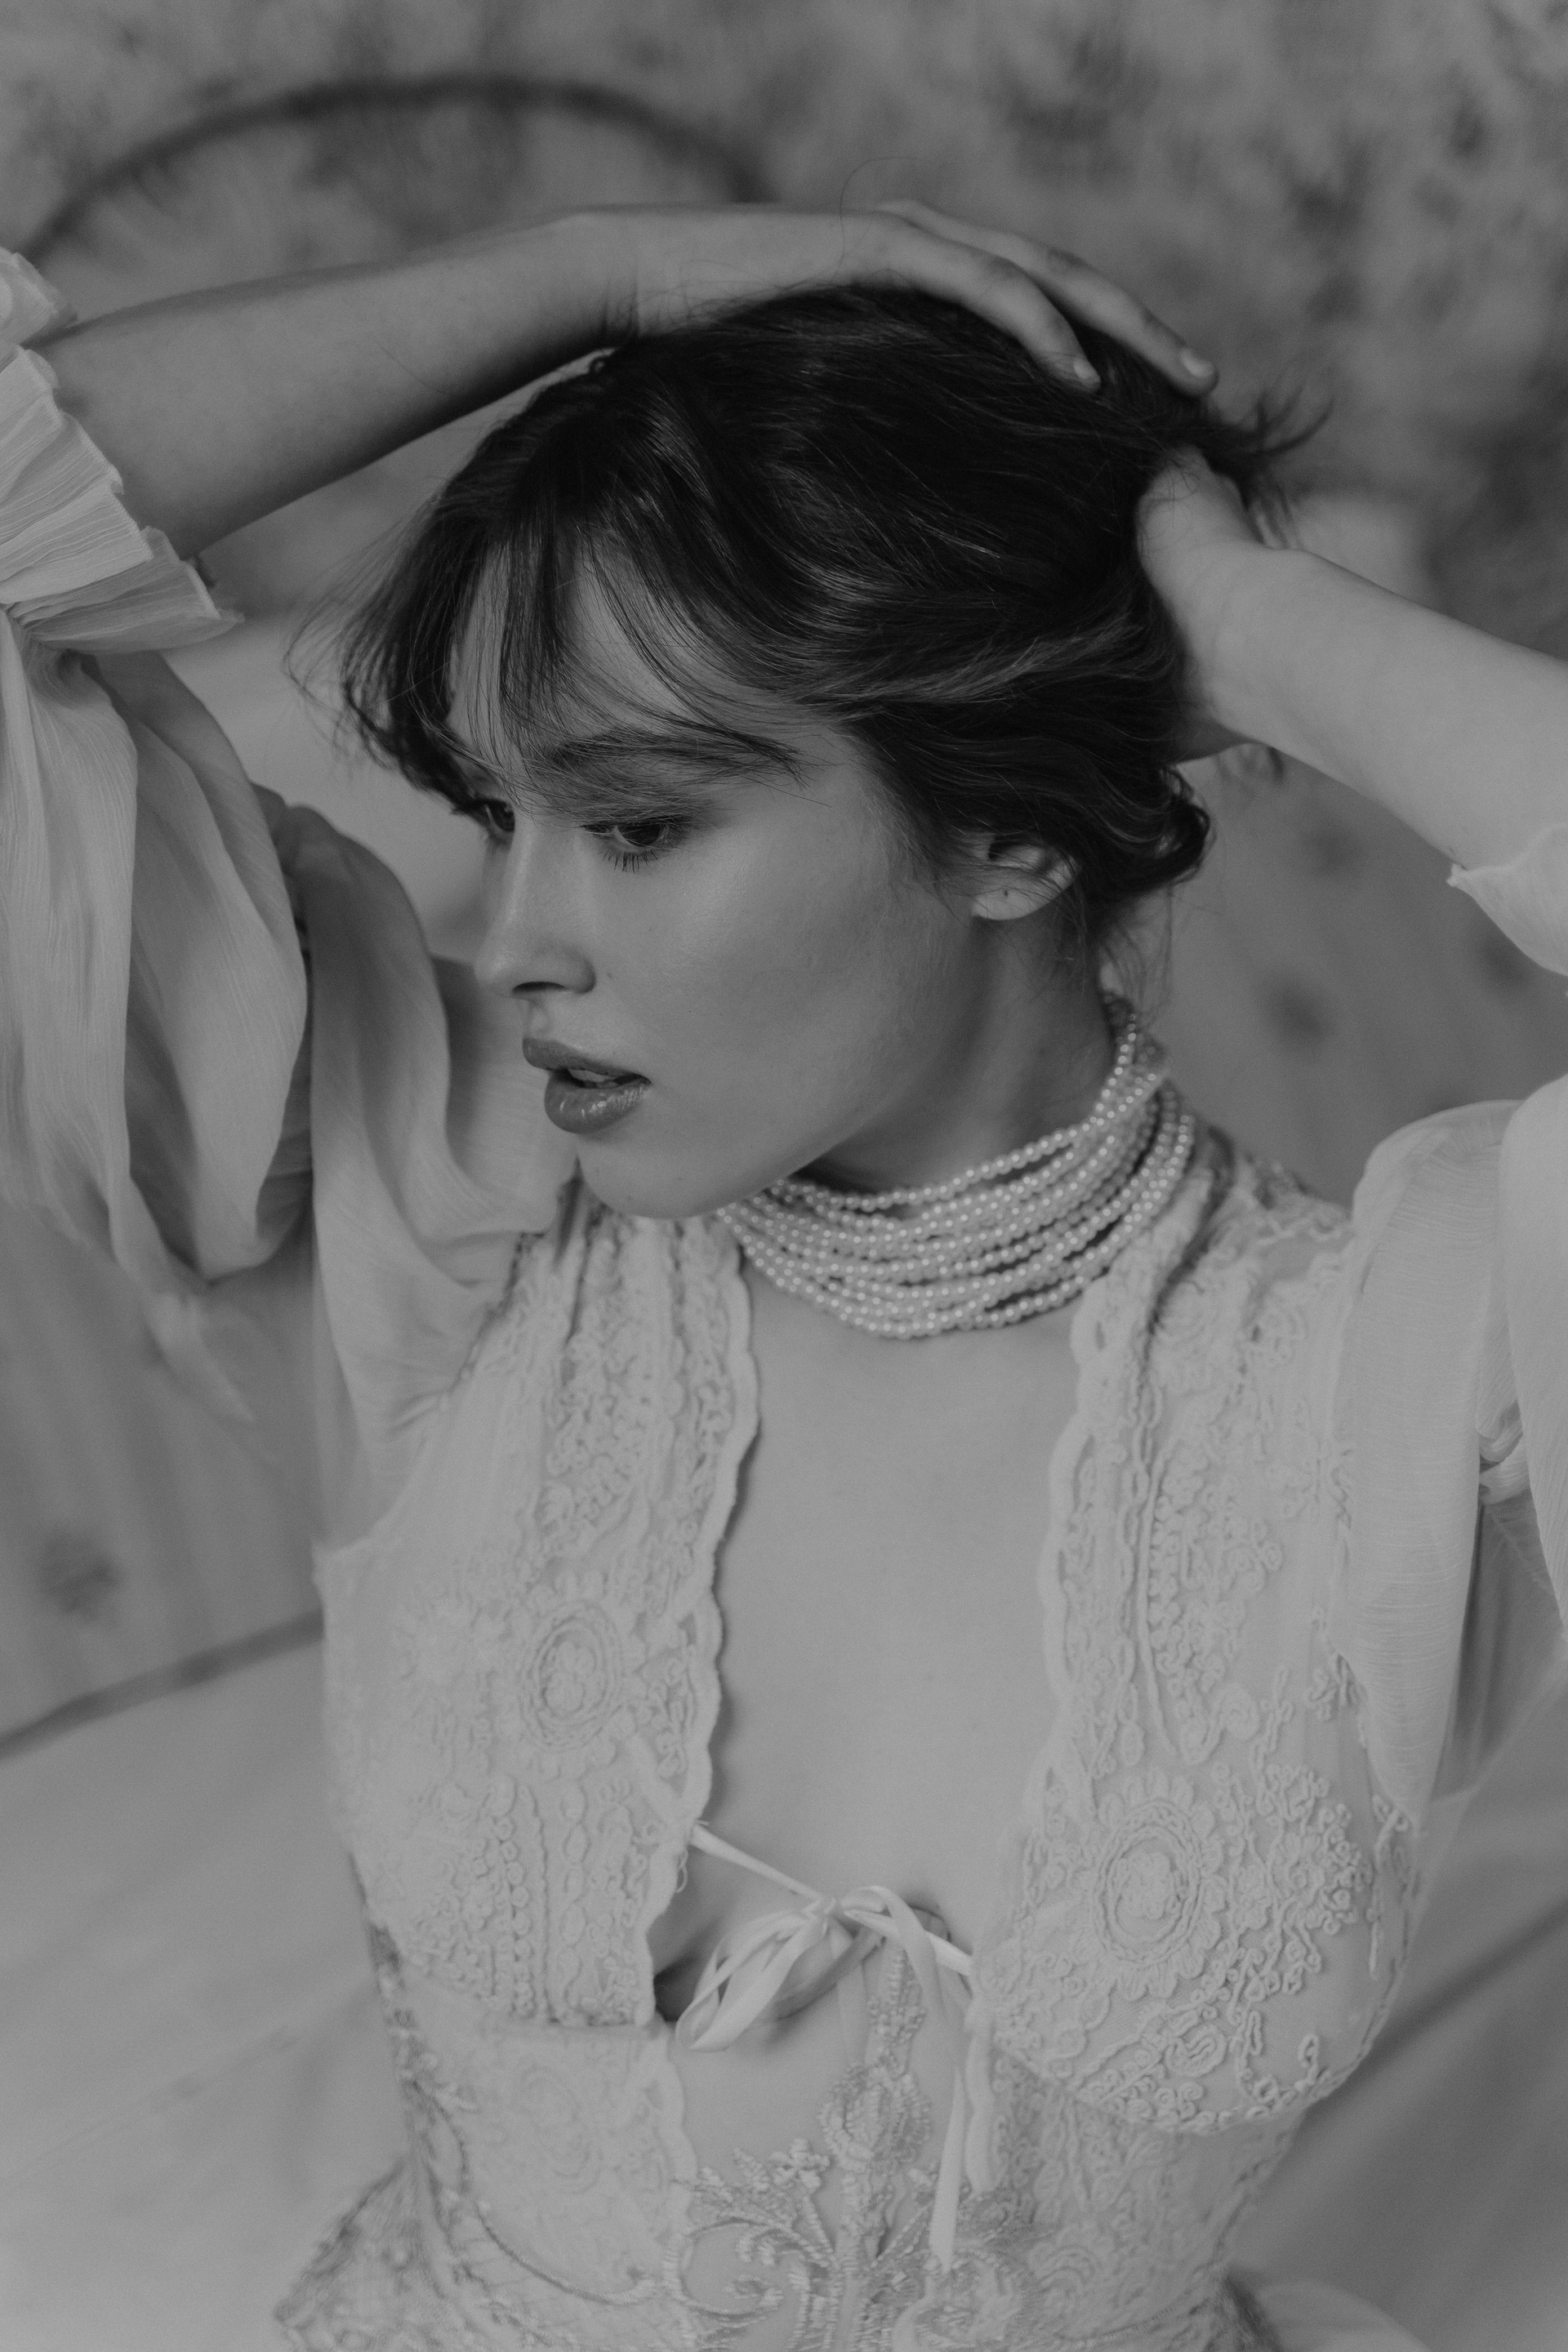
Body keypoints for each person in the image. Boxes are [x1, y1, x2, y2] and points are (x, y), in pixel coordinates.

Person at [0, 198, 1561, 2352]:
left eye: (638, 826)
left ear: (1010, 833)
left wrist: (1245, 620)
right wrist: (595, 273)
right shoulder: (431, 1230)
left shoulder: (1415, 1360)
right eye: (502, 816)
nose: (515, 939)